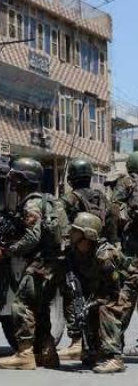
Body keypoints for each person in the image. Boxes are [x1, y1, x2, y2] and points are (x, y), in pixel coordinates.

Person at [0, 158, 62, 370]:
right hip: (52, 263)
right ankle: (47, 353)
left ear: (24, 179)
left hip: (39, 263)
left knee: (21, 304)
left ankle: (25, 354)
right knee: (40, 308)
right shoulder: (44, 200)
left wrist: (9, 250)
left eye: (15, 177)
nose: (11, 181)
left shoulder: (32, 204)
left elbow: (33, 236)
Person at [59, 158, 116, 360]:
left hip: (78, 254)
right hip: (100, 252)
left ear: (71, 178)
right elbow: (112, 228)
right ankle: (95, 344)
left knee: (74, 295)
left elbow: (61, 228)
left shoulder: (69, 199)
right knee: (96, 298)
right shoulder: (103, 199)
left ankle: (76, 342)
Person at [66, 212, 138, 373]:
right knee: (90, 310)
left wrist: (94, 302)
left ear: (88, 236)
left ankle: (114, 357)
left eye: (76, 232)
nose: (72, 235)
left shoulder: (105, 256)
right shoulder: (77, 252)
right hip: (106, 287)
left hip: (127, 284)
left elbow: (112, 293)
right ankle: (96, 351)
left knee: (108, 309)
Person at [108, 151, 138, 354]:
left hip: (131, 251)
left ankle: (114, 346)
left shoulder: (126, 182)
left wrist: (114, 239)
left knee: (125, 298)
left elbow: (114, 212)